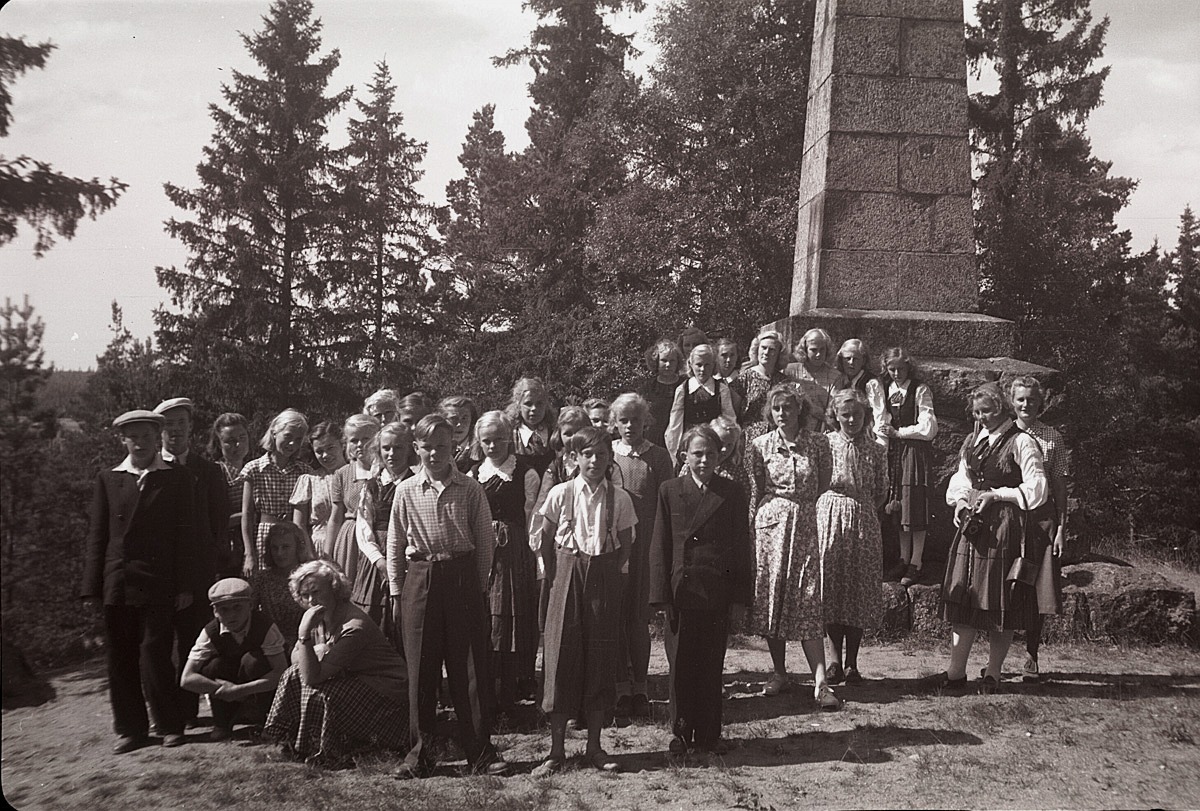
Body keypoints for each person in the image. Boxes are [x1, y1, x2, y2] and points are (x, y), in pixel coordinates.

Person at [387, 415, 508, 778]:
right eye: (427, 447)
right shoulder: (406, 490)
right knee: (421, 669)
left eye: (442, 446)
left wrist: (481, 586)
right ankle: (420, 755)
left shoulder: (470, 489)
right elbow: (395, 543)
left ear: (453, 447)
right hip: (420, 579)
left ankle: (480, 752)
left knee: (468, 667)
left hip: (461, 577)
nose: (434, 454)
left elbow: (484, 542)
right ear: (417, 448)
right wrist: (396, 590)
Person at [81, 409, 200, 753]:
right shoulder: (109, 478)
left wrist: (184, 586)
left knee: (156, 655)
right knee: (120, 658)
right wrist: (92, 587)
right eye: (133, 436)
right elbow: (97, 535)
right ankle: (131, 730)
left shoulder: (175, 478)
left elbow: (186, 537)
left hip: (158, 582)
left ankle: (169, 725)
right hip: (117, 582)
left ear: (156, 438)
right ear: (123, 439)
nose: (140, 443)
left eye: (146, 436)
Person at [930, 383, 1056, 695]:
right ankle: (956, 672)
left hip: (1004, 527)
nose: (981, 417)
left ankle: (994, 674)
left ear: (1001, 408)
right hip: (973, 525)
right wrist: (960, 501)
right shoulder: (974, 440)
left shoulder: (1022, 442)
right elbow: (961, 477)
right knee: (964, 598)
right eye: (977, 412)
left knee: (1002, 601)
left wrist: (998, 494)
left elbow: (1038, 488)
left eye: (986, 411)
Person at [532, 427, 636, 776]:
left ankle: (595, 746)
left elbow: (625, 544)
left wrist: (605, 571)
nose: (594, 461)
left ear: (610, 459)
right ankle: (556, 749)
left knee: (600, 658)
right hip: (566, 572)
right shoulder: (561, 494)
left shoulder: (619, 498)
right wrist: (559, 572)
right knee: (561, 656)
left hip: (603, 575)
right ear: (574, 458)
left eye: (602, 455)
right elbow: (544, 540)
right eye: (587, 454)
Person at [650, 425, 753, 755]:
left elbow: (741, 547)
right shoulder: (669, 490)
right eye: (697, 453)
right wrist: (661, 595)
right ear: (684, 456)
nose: (704, 459)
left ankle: (709, 734)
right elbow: (660, 544)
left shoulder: (733, 492)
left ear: (720, 455)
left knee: (711, 663)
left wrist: (739, 597)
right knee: (680, 663)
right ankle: (679, 733)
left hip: (716, 591)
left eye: (710, 453)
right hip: (682, 592)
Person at [745, 386, 839, 710]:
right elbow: (755, 488)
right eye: (776, 409)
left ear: (800, 409)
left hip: (804, 524)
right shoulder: (759, 446)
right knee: (774, 597)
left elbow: (823, 481)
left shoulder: (818, 442)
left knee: (809, 597)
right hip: (771, 527)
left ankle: (821, 682)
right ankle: (779, 672)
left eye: (788, 408)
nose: (782, 414)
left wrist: (803, 509)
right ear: (769, 413)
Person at [263, 560, 408, 768]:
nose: (312, 600)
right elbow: (295, 659)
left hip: (387, 693)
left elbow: (313, 676)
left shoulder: (354, 626)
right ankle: (292, 741)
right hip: (356, 680)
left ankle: (326, 751)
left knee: (318, 691)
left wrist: (304, 637)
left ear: (334, 589)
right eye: (305, 595)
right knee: (293, 675)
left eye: (316, 592)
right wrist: (314, 650)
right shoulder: (318, 617)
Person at [154, 396, 230, 726]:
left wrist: (209, 568)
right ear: (160, 431)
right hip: (157, 575)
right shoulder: (149, 469)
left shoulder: (209, 471)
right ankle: (164, 715)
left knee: (193, 642)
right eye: (168, 426)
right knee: (156, 648)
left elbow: (218, 524)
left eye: (181, 425)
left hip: (199, 574)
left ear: (190, 428)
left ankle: (188, 713)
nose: (175, 432)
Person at [469, 411, 541, 712]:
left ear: (509, 438)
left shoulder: (525, 472)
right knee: (486, 614)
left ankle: (517, 683)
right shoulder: (473, 474)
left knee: (514, 613)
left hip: (514, 551)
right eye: (486, 440)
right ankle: (491, 685)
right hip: (482, 548)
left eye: (499, 439)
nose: (493, 445)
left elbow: (531, 517)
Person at [608, 392, 674, 721]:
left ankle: (641, 687)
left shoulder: (659, 457)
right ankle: (620, 687)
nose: (630, 426)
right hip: (616, 545)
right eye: (623, 420)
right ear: (615, 424)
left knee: (638, 620)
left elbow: (667, 505)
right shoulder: (607, 455)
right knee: (616, 617)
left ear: (645, 420)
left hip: (646, 544)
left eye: (635, 419)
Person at [818, 390, 888, 685]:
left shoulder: (876, 448)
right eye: (845, 415)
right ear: (835, 416)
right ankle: (833, 660)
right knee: (833, 585)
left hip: (863, 516)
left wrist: (863, 506)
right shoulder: (825, 444)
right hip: (830, 512)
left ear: (865, 416)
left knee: (858, 587)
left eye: (856, 415)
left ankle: (852, 663)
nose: (851, 420)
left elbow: (882, 489)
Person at [1009, 376, 1071, 682]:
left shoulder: (1051, 437)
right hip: (1008, 518)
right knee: (1004, 584)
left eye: (1031, 400)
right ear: (1012, 401)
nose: (1025, 405)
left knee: (1038, 588)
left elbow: (1059, 484)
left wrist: (1061, 527)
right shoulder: (1002, 433)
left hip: (1042, 519)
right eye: (1020, 399)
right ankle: (997, 659)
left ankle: (1031, 654)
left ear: (1040, 402)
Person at [180, 578, 288, 741]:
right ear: (215, 612)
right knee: (212, 666)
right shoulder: (211, 631)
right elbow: (187, 678)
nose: (231, 615)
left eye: (237, 607)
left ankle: (267, 720)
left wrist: (240, 690)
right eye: (223, 609)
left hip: (255, 681)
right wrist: (222, 689)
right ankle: (222, 723)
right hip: (230, 683)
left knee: (253, 661)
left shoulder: (265, 626)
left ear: (250, 606)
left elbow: (281, 673)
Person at [876, 347, 938, 586]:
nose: (896, 373)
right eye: (891, 369)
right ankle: (903, 558)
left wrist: (899, 433)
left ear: (908, 366)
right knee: (898, 505)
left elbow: (929, 427)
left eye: (900, 368)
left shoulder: (919, 389)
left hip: (914, 451)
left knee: (914, 504)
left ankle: (917, 561)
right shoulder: (886, 389)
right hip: (894, 453)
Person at [529, 405, 591, 634]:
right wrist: (538, 543)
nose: (573, 438)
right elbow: (542, 506)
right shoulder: (555, 468)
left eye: (579, 431)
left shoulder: (599, 463)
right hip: (562, 538)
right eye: (568, 433)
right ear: (559, 435)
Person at [351, 421, 413, 648]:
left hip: (407, 556)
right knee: (373, 618)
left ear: (409, 450)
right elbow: (363, 527)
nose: (392, 453)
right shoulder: (371, 485)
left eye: (398, 447)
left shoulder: (415, 483)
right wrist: (378, 560)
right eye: (387, 448)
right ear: (379, 451)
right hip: (375, 560)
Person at [240, 409, 309, 576]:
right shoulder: (254, 469)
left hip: (294, 536)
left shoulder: (304, 471)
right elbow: (247, 513)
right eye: (288, 437)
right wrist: (249, 553)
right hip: (265, 536)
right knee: (265, 583)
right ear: (274, 433)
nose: (292, 444)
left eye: (298, 440)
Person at [325, 414, 380, 587]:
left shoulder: (385, 471)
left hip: (378, 535)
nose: (360, 445)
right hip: (350, 540)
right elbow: (335, 517)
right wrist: (327, 554)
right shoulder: (342, 474)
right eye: (354, 440)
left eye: (366, 438)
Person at [664, 344, 737, 461]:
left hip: (714, 444)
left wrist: (729, 446)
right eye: (699, 365)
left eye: (707, 365)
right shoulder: (683, 389)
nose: (703, 369)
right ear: (691, 365)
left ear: (713, 365)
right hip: (691, 444)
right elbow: (675, 423)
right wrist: (675, 450)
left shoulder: (721, 389)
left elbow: (729, 419)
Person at [290, 421, 345, 559]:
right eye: (319, 451)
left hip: (348, 542)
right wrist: (309, 553)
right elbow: (299, 524)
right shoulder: (309, 480)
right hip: (317, 548)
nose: (325, 455)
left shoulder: (356, 475)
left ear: (342, 445)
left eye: (331, 448)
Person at [208, 412, 253, 573]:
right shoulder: (214, 472)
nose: (238, 445)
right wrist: (249, 516)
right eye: (230, 441)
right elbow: (213, 521)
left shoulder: (254, 468)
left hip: (257, 544)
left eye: (242, 438)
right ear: (218, 444)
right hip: (228, 552)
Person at [252, 521, 309, 648]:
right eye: (275, 548)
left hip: (304, 642)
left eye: (286, 547)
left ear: (297, 548)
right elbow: (250, 612)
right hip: (270, 643)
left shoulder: (309, 576)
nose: (279, 553)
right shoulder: (262, 578)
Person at [732, 330, 790, 448]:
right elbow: (732, 413)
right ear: (757, 349)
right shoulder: (744, 378)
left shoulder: (784, 381)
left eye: (772, 349)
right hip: (750, 439)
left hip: (777, 439)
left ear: (779, 354)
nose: (766, 352)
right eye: (763, 348)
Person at [784, 328, 847, 429]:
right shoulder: (790, 371)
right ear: (804, 350)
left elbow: (835, 408)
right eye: (813, 350)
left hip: (823, 430)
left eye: (822, 350)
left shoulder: (835, 376)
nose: (818, 354)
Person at [635, 339, 685, 449]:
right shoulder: (647, 387)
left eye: (672, 361)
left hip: (679, 438)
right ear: (656, 361)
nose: (668, 364)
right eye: (664, 360)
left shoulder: (685, 385)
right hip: (653, 439)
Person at [507, 377, 557, 477]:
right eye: (528, 404)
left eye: (539, 403)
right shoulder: (510, 436)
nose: (534, 409)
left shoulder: (554, 433)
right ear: (518, 405)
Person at [439, 394, 479, 472]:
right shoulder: (435, 445)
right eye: (454, 419)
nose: (459, 424)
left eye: (464, 418)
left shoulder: (479, 448)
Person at [714, 337, 746, 418]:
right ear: (716, 357)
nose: (728, 360)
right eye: (724, 355)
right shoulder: (711, 380)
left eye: (732, 355)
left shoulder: (743, 380)